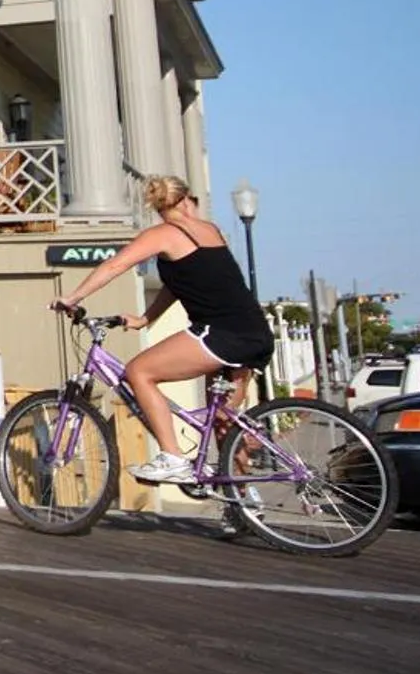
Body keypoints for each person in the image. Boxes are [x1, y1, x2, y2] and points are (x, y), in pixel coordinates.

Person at [52, 175, 275, 484]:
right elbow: (179, 283)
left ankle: (172, 458)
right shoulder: (211, 231)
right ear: (186, 200)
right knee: (223, 421)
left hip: (221, 334)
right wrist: (146, 319)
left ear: (158, 207)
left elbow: (114, 266)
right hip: (254, 331)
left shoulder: (163, 235)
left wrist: (73, 297)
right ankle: (241, 500)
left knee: (138, 372)